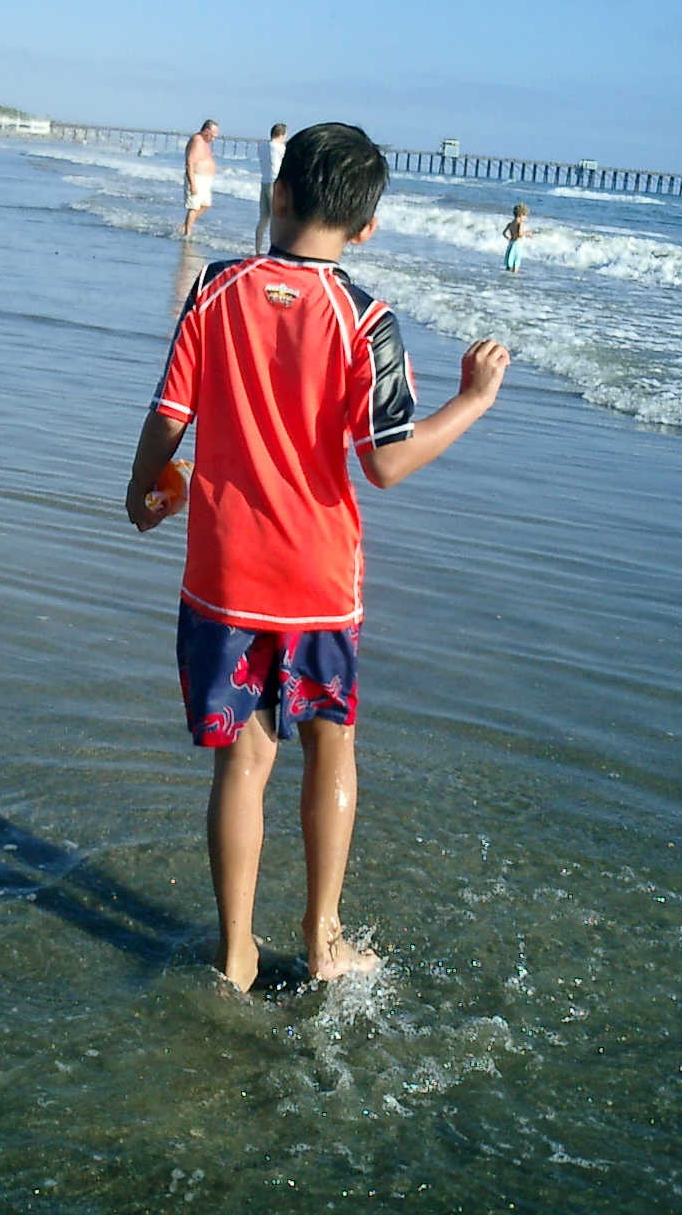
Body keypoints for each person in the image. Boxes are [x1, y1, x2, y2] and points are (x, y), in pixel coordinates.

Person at [126, 122, 510, 993]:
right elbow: (386, 462)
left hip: (224, 573)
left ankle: (235, 951)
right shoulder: (366, 318)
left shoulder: (216, 288)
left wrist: (143, 489)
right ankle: (323, 938)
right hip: (318, 582)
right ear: (367, 227)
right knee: (330, 748)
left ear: (279, 195)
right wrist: (474, 400)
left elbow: (170, 413)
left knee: (242, 760)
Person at [179, 119, 219, 238]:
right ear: (206, 131)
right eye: (213, 135)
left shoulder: (205, 142)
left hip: (205, 180)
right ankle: (187, 234)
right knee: (193, 207)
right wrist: (192, 184)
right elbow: (190, 163)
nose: (214, 139)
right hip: (196, 178)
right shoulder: (197, 140)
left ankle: (185, 226)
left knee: (206, 204)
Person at [255, 121, 287, 253]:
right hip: (275, 183)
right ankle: (274, 249)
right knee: (276, 219)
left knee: (263, 218)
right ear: (282, 135)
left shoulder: (262, 147)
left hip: (264, 182)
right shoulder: (280, 148)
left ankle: (258, 249)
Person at [502, 204, 533, 272]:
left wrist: (508, 238)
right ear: (521, 214)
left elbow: (503, 233)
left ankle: (507, 275)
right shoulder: (520, 223)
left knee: (509, 262)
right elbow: (520, 234)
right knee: (516, 262)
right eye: (524, 215)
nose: (525, 217)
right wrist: (528, 233)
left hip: (511, 244)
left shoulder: (510, 223)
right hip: (517, 244)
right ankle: (514, 275)